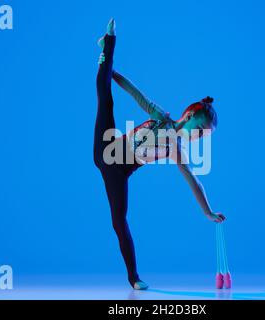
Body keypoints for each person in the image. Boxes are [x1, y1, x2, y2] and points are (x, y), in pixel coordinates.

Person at [94, 18, 226, 290]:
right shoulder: (161, 116)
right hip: (105, 147)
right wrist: (110, 71)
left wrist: (208, 212)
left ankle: (133, 278)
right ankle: (107, 44)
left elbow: (194, 181)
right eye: (199, 130)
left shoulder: (177, 150)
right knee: (105, 99)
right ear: (188, 116)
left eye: (204, 136)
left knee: (119, 220)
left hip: (117, 171)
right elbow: (136, 95)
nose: (199, 137)